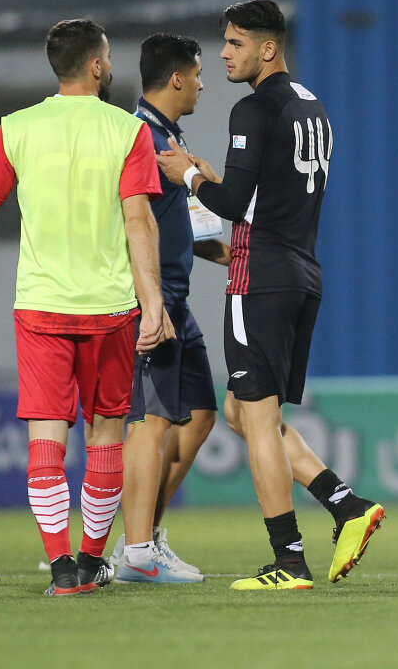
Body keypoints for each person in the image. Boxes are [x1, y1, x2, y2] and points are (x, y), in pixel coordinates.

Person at [157, 0, 384, 591]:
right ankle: (347, 506)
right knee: (242, 411)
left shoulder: (253, 108)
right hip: (302, 270)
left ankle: (289, 561)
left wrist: (187, 175)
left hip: (258, 277)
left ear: (268, 48)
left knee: (257, 420)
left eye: (236, 43)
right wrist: (214, 178)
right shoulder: (312, 106)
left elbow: (233, 205)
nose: (224, 54)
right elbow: (265, 190)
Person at [0, 18, 168, 596]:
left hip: (41, 308)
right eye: (108, 57)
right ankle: (92, 560)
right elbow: (139, 221)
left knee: (46, 438)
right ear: (95, 66)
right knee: (106, 437)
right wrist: (153, 302)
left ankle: (62, 568)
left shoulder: (16, 128)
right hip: (110, 309)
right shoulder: (128, 131)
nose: (110, 64)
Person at [109, 33, 227, 584]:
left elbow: (180, 224)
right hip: (151, 304)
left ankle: (146, 536)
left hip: (178, 303)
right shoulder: (140, 138)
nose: (203, 83)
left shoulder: (169, 139)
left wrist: (233, 254)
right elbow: (133, 223)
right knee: (149, 422)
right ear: (177, 78)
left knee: (199, 415)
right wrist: (149, 302)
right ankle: (136, 551)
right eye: (198, 74)